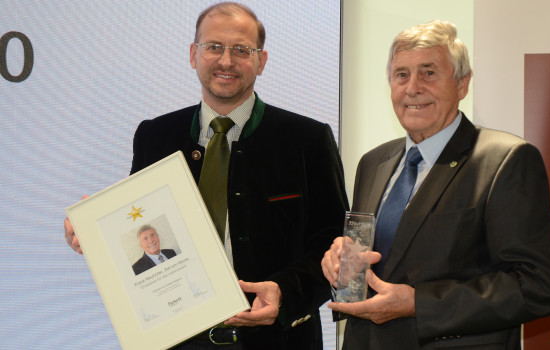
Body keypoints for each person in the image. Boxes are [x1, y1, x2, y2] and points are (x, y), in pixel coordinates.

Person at [64, 2, 348, 349]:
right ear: (193, 54)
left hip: (279, 340)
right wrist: (94, 232)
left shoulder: (307, 139)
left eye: (241, 50)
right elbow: (141, 226)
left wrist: (285, 293)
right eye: (213, 47)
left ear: (262, 60)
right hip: (180, 339)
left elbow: (335, 247)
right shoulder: (155, 136)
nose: (226, 61)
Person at [321, 20, 550, 349]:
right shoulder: (372, 163)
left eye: (429, 72)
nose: (412, 88)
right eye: (401, 75)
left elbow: (539, 286)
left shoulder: (506, 160)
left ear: (462, 84)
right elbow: (376, 267)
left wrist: (419, 303)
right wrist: (342, 265)